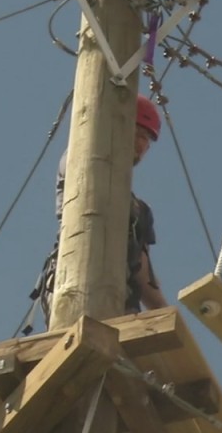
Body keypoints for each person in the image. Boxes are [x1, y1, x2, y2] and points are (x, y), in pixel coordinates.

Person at [34, 94, 169, 327]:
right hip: (74, 286)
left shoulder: (140, 212)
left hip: (121, 295)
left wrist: (165, 317)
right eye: (137, 132)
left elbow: (143, 274)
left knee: (123, 357)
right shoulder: (80, 155)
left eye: (147, 138)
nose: (141, 144)